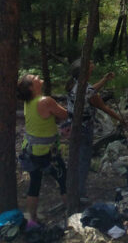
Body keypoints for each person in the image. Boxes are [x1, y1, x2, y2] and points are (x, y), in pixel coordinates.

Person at [66, 58, 125, 201]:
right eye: (90, 69)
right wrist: (120, 119)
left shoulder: (74, 84)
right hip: (84, 128)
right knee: (84, 159)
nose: (92, 69)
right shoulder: (85, 90)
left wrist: (104, 80)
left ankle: (72, 188)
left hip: (72, 125)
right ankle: (80, 193)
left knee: (76, 157)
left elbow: (91, 90)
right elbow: (103, 107)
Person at [17, 72, 68, 230]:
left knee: (35, 183)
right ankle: (72, 213)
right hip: (46, 152)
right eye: (35, 78)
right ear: (32, 87)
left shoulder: (29, 101)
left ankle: (32, 219)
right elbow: (65, 114)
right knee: (64, 179)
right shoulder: (45, 101)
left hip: (30, 150)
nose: (39, 77)